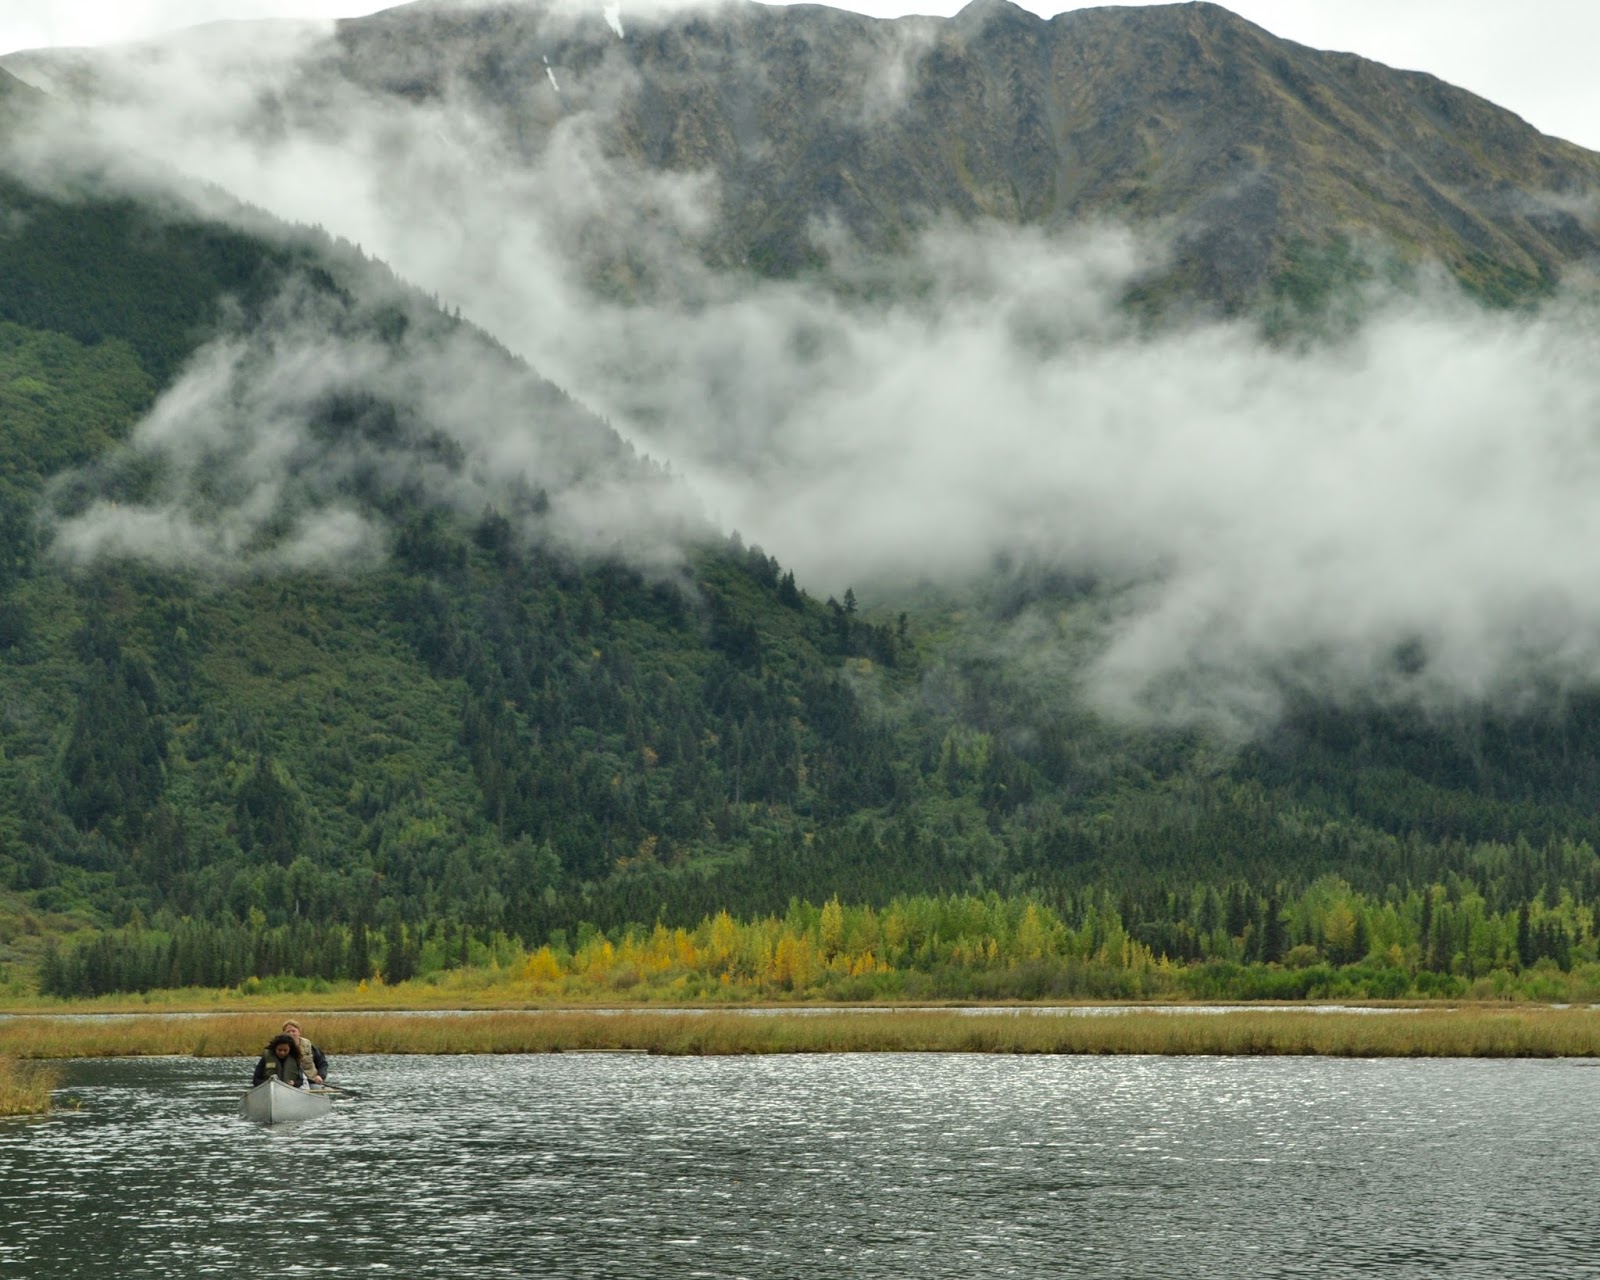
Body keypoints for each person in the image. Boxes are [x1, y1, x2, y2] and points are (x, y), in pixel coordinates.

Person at [282, 1019, 328, 1085]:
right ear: (284, 1034)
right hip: (289, 1083)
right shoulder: (280, 1048)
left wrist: (320, 1076)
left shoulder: (309, 1046)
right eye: (288, 1032)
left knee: (316, 1088)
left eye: (293, 1031)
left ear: (299, 1032)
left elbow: (322, 1063)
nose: (291, 1034)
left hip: (311, 1081)